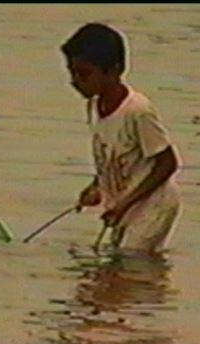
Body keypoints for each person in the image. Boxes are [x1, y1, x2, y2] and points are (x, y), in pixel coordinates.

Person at [61, 23, 182, 253]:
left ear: (113, 71)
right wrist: (97, 187)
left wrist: (125, 204)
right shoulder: (94, 106)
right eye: (72, 72)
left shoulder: (137, 110)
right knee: (121, 275)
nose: (75, 80)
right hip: (125, 204)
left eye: (84, 73)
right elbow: (111, 155)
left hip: (154, 204)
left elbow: (168, 163)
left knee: (128, 260)